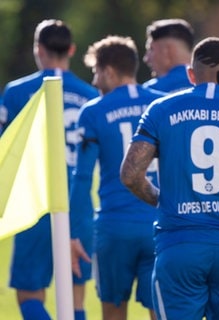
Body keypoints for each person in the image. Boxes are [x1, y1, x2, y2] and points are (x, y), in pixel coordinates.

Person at [121, 36, 219, 320]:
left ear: (191, 75)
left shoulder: (161, 110)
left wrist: (161, 199)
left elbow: (130, 175)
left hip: (179, 246)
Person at [1, 19, 99, 320]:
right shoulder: (91, 97)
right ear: (71, 49)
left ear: (38, 49)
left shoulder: (16, 92)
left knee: (29, 294)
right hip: (78, 204)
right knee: (76, 297)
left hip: (36, 202)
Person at [69, 35, 164, 320]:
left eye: (97, 73)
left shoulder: (94, 111)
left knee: (112, 314)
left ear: (109, 70)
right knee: (161, 312)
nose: (95, 82)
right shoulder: (163, 105)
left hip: (114, 227)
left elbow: (82, 179)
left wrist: (74, 233)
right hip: (158, 224)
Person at [142, 18, 195, 93]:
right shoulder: (212, 84)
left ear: (167, 51)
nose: (146, 58)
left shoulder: (150, 90)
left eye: (151, 49)